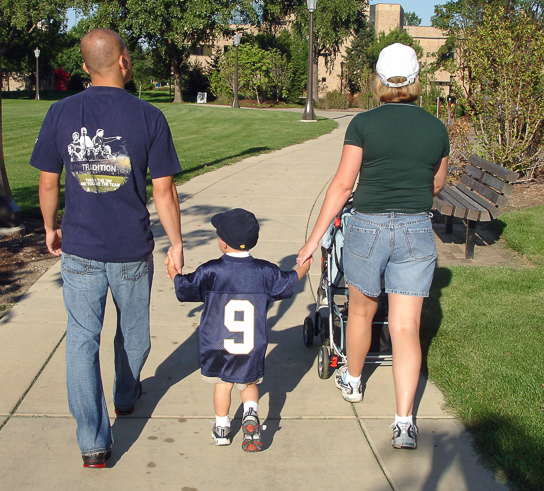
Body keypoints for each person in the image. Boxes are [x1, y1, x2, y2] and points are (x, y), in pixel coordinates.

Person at [30, 28, 184, 469]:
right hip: (132, 249)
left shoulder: (60, 113)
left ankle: (93, 443)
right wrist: (175, 243)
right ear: (123, 62)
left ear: (84, 67)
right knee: (134, 336)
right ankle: (125, 394)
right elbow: (165, 189)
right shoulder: (149, 117)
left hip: (79, 248)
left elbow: (47, 180)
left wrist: (49, 227)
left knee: (81, 341)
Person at [296, 43, 449, 450]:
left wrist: (313, 241)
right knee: (405, 326)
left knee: (361, 311)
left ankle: (353, 381)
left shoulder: (363, 124)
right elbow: (436, 183)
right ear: (416, 80)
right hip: (416, 230)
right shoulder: (436, 128)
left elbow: (343, 184)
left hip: (368, 229)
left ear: (379, 81)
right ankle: (403, 423)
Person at [166, 208, 311, 452]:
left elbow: (184, 288)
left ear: (222, 242)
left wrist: (172, 269)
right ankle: (251, 415)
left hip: (217, 345)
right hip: (250, 345)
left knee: (223, 385)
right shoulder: (265, 272)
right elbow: (290, 281)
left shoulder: (210, 271)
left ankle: (222, 428)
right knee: (249, 383)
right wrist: (304, 265)